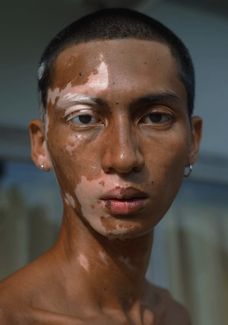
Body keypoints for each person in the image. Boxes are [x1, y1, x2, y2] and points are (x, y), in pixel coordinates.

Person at [0, 8, 202, 324]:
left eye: (156, 117)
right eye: (84, 118)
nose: (123, 158)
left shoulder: (174, 316)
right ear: (41, 145)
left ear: (193, 141)